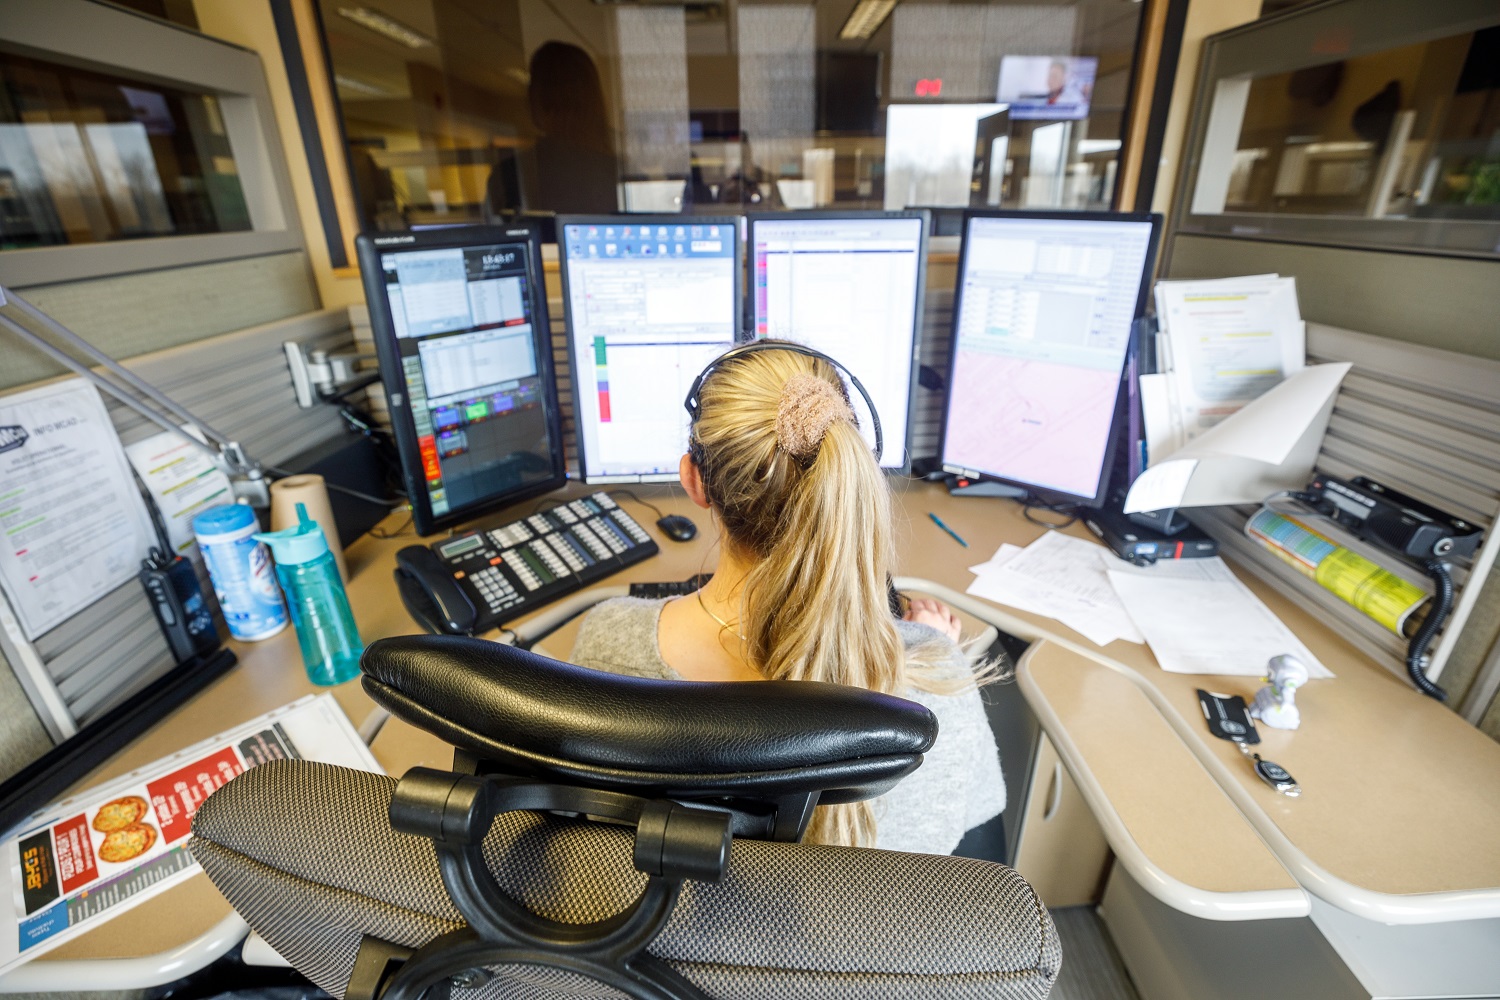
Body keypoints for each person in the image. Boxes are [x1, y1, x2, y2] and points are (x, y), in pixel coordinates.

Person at [570, 344, 1004, 854]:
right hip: (874, 932)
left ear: (694, 481)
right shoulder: (934, 677)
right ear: (848, 478)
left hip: (676, 925)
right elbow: (972, 825)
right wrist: (929, 646)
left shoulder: (606, 641)